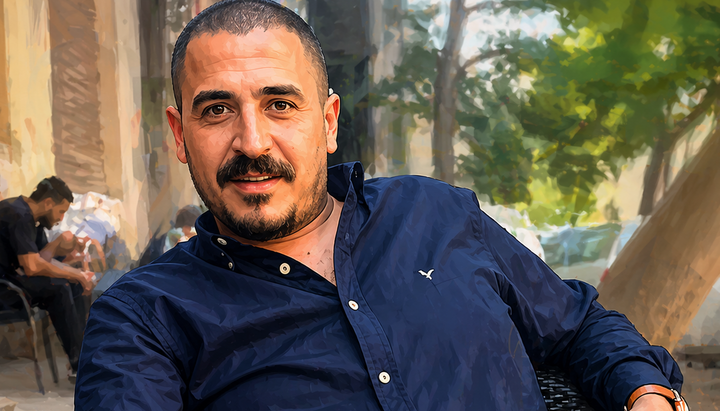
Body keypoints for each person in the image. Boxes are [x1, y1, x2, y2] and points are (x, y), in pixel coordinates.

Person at [74, 1, 687, 410]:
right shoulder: (143, 320)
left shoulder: (438, 216)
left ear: (328, 122)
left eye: (280, 105)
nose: (253, 142)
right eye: (216, 110)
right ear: (179, 135)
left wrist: (647, 396)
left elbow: (579, 325)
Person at [0, 177, 96, 380]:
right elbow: (33, 266)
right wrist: (76, 273)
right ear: (48, 203)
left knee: (74, 284)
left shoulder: (34, 221)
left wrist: (78, 274)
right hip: (4, 287)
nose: (61, 218)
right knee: (60, 287)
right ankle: (80, 363)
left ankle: (82, 354)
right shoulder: (17, 213)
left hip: (16, 280)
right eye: (61, 211)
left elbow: (43, 261)